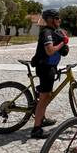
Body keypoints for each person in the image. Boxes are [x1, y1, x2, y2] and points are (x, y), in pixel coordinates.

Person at [30, 9, 69, 139]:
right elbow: (50, 51)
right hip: (45, 68)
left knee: (46, 96)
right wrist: (63, 42)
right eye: (57, 18)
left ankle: (42, 118)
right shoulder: (47, 32)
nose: (59, 20)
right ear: (51, 20)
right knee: (44, 98)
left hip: (49, 67)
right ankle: (36, 129)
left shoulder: (52, 32)